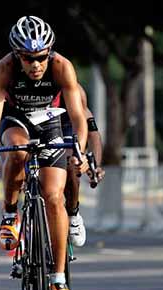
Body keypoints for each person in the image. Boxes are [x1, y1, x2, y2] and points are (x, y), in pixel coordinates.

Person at [0, 15, 88, 290]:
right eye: (28, 59)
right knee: (16, 150)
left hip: (52, 124)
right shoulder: (3, 70)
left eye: (41, 57)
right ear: (18, 56)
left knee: (54, 198)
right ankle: (10, 215)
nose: (36, 65)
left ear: (49, 53)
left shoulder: (61, 67)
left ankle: (58, 281)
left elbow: (78, 117)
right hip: (17, 121)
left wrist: (79, 150)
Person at [61, 83, 105, 247]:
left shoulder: (74, 90)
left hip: (68, 131)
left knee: (71, 163)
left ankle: (73, 214)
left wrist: (96, 165)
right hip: (37, 131)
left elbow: (93, 134)